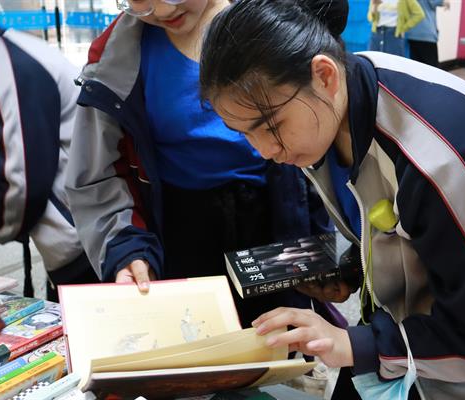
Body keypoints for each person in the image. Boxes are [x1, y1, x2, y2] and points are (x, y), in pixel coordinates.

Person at [198, 0, 465, 398]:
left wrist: (352, 344)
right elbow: (400, 230)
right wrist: (353, 271)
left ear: (324, 76)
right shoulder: (331, 107)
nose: (264, 150)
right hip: (415, 343)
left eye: (270, 126)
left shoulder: (441, 154)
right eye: (244, 132)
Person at [64, 0, 333, 328]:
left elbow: (321, 145)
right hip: (177, 233)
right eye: (140, 2)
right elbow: (97, 176)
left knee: (277, 338)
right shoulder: (115, 60)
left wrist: (326, 246)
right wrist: (126, 249)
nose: (163, 11)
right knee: (193, 337)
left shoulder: (276, 25)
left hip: (276, 223)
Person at [0, 2, 99, 302]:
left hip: (83, 243)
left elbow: (25, 184)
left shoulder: (7, 65)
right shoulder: (5, 51)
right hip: (84, 233)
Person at [406, 0, 449, 67]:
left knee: (415, 68)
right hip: (426, 35)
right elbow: (437, 2)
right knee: (431, 69)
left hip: (411, 34)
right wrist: (446, 2)